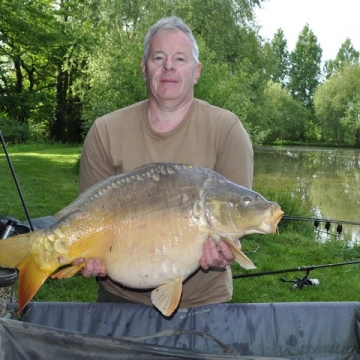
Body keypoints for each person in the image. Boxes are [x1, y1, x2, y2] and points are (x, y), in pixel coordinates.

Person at [76, 16, 253, 310]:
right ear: (144, 69)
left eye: (180, 58)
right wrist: (84, 255)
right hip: (118, 299)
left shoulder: (227, 131)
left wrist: (227, 250)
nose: (168, 66)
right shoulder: (105, 131)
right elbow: (87, 220)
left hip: (204, 300)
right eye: (158, 57)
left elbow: (235, 220)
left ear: (196, 72)